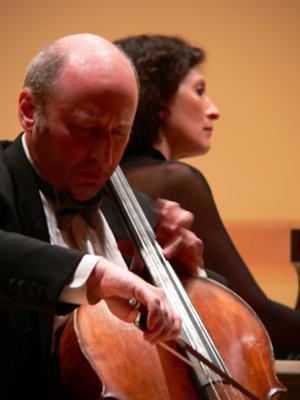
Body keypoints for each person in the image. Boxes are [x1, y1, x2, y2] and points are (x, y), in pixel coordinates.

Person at [1, 33, 204, 399]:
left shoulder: (138, 213)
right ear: (29, 111)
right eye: (86, 130)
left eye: (119, 133)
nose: (105, 156)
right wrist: (98, 274)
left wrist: (192, 275)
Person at [115, 34, 300, 358]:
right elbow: (252, 313)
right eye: (199, 91)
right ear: (159, 102)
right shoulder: (175, 180)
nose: (213, 110)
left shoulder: (114, 179)